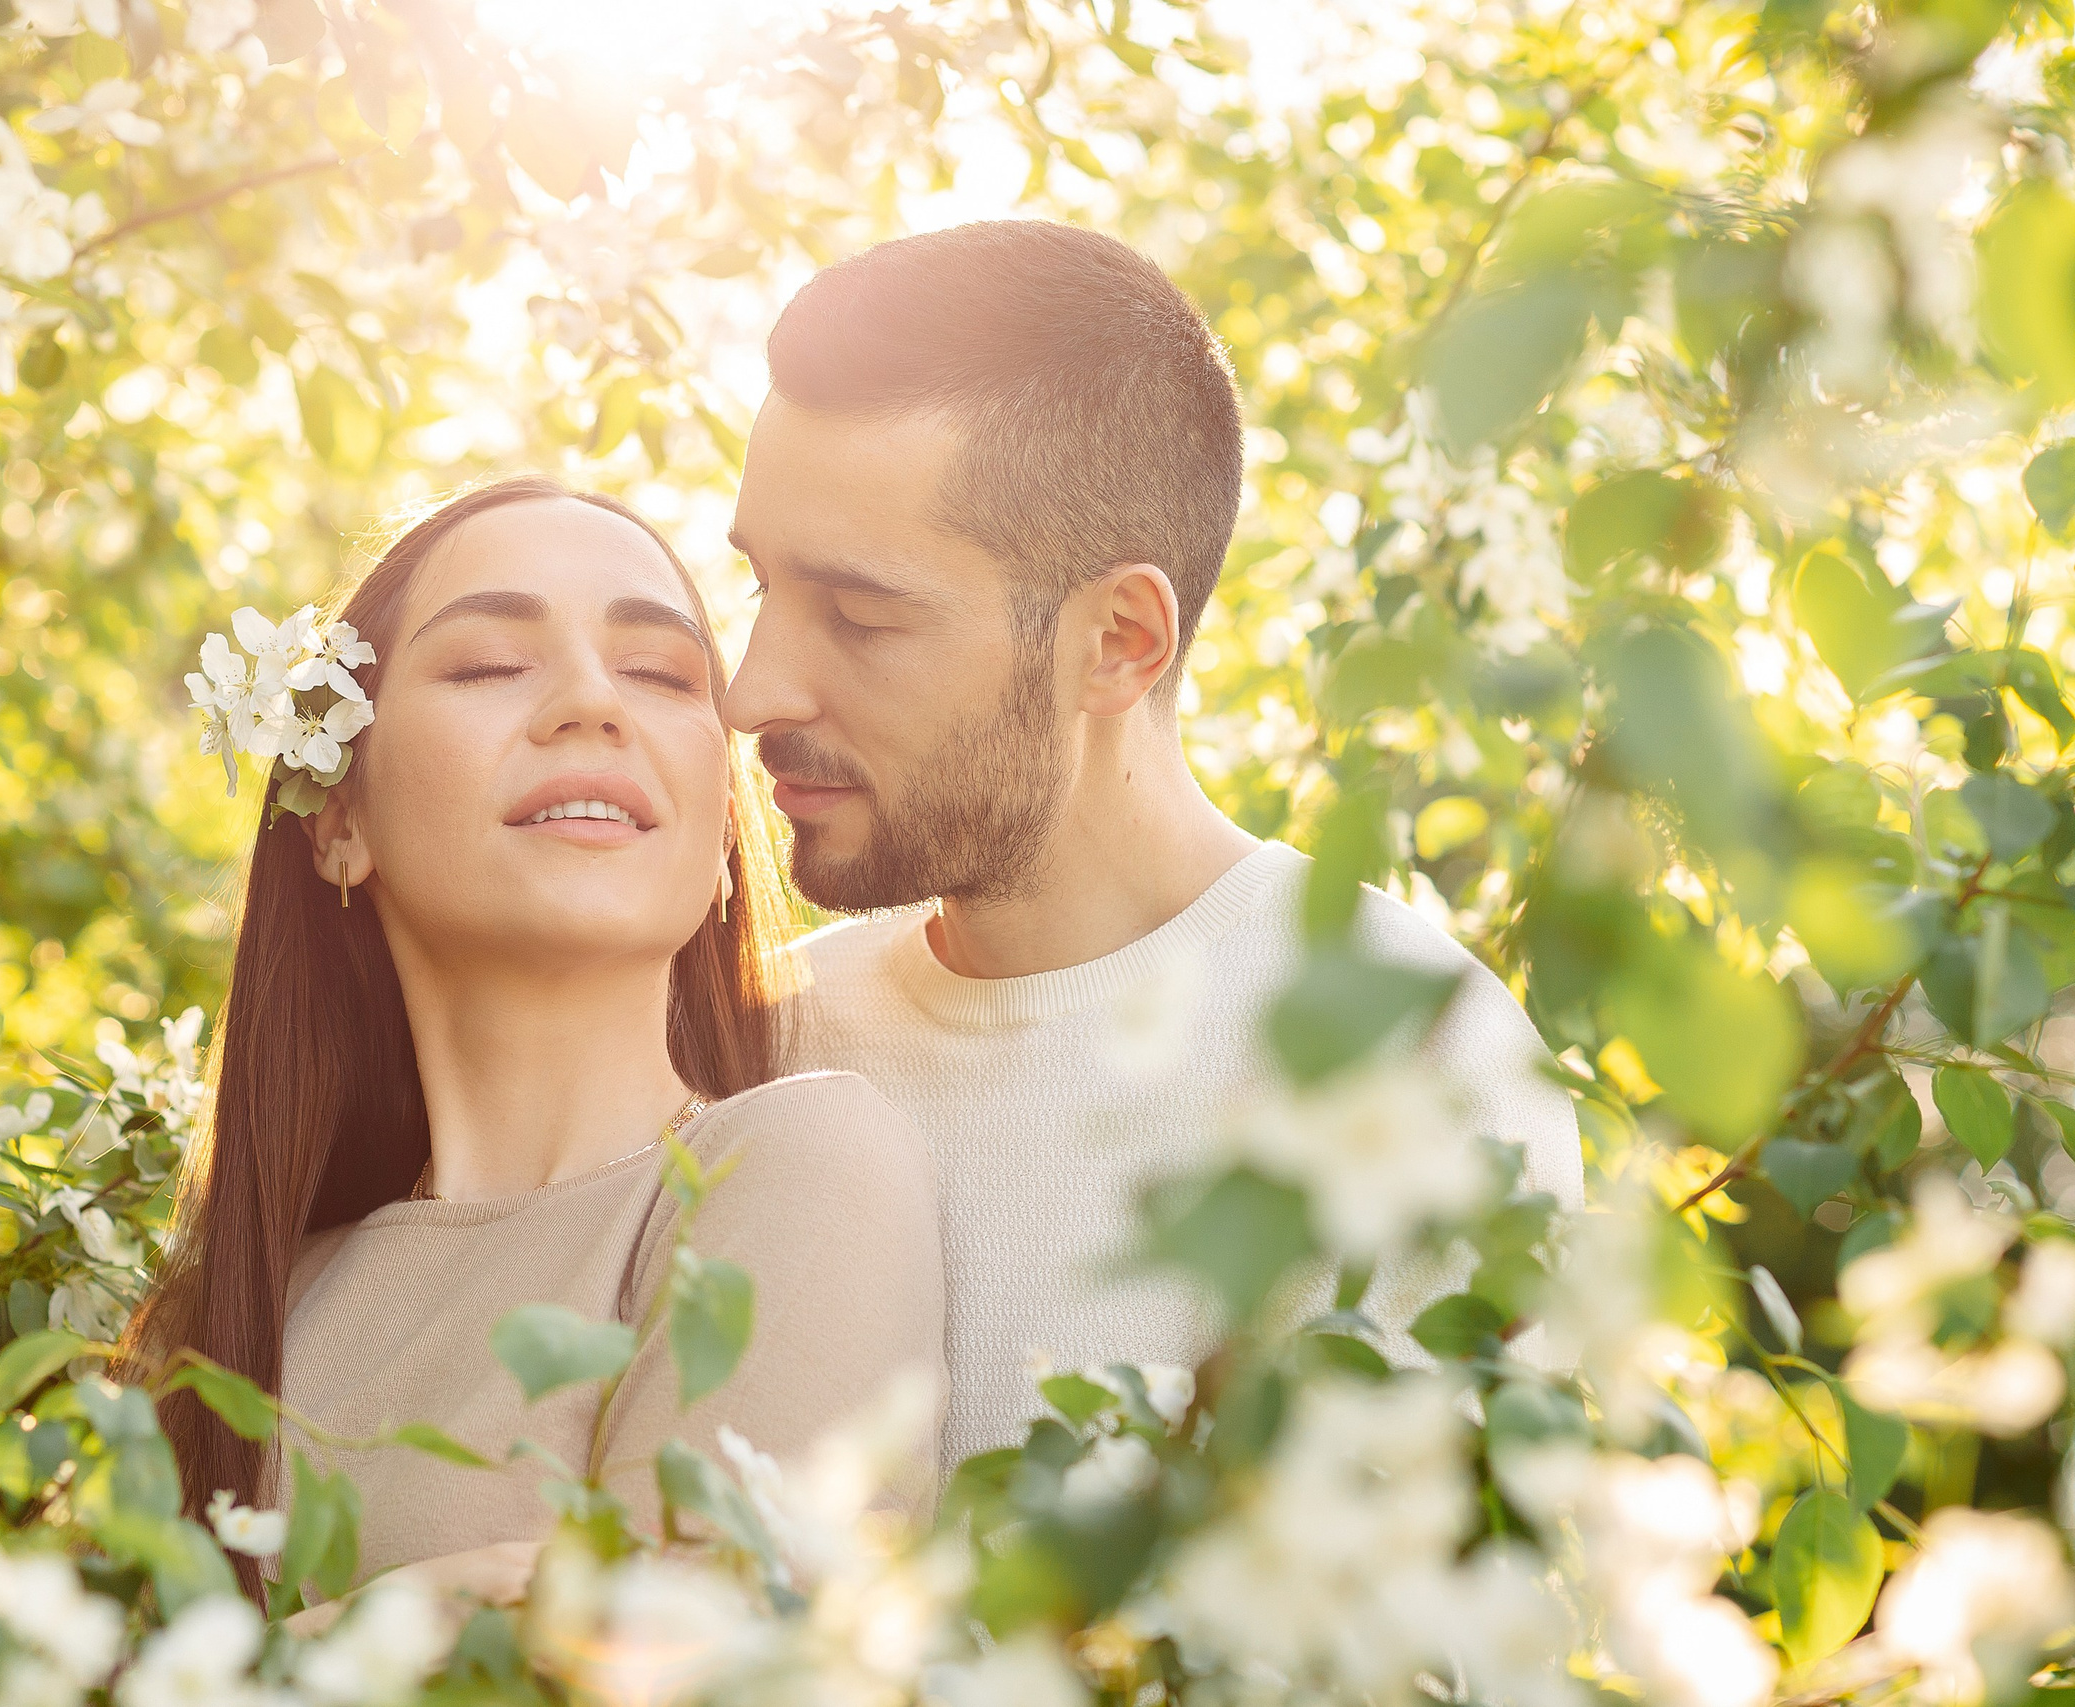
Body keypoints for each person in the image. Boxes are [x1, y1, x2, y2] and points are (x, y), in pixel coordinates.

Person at [723, 221, 1584, 1469]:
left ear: (1119, 639)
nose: (751, 694)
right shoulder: (762, 1041)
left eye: (859, 615)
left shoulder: (1405, 1060)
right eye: (760, 588)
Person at [122, 477, 945, 1602]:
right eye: (488, 665)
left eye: (660, 676)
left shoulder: (791, 1170)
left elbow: (722, 1670)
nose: (592, 704)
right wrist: (412, 1624)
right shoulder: (233, 1316)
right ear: (338, 821)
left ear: (718, 841)